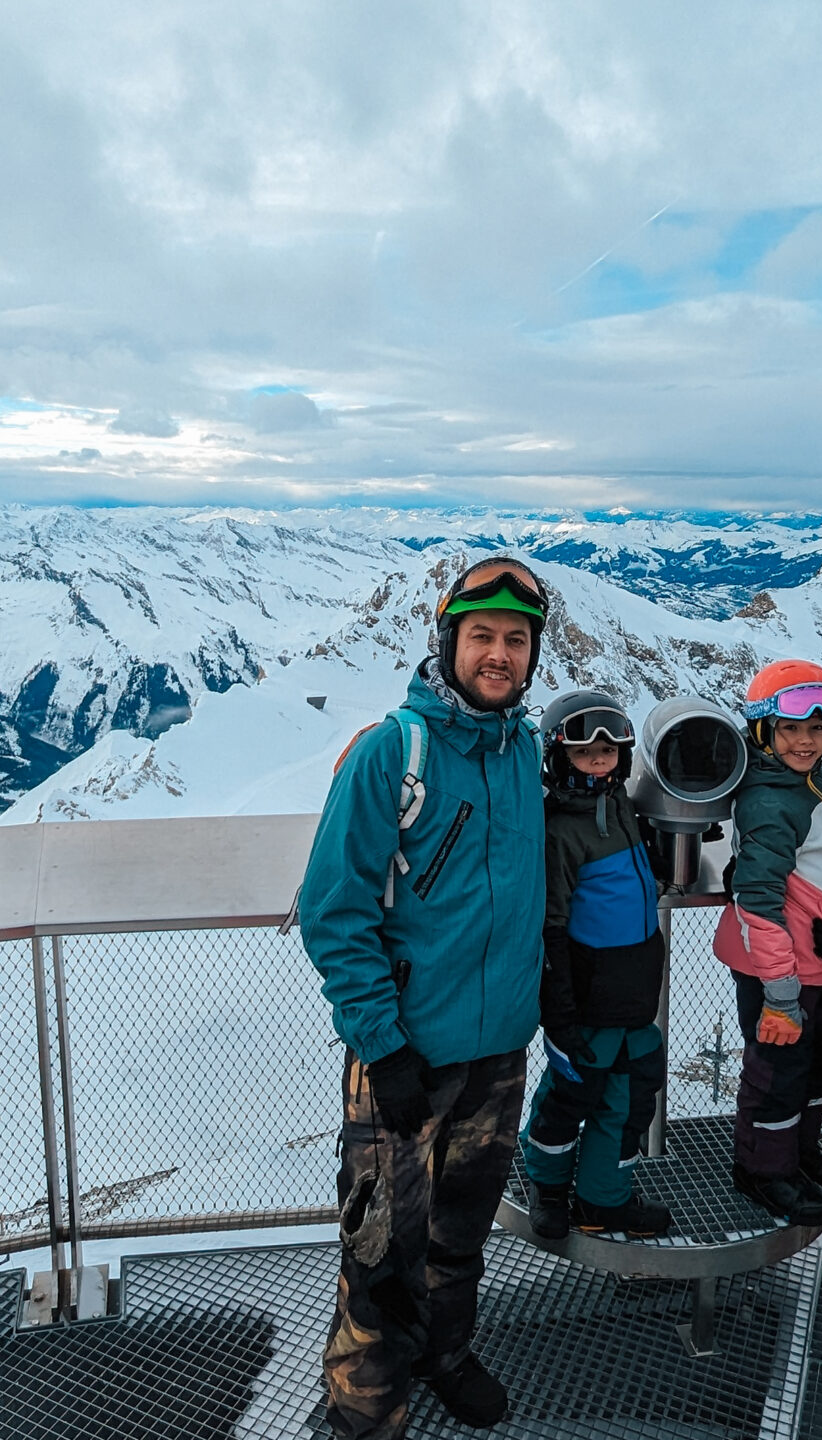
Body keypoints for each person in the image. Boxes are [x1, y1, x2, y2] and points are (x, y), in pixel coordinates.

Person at [299, 556, 550, 1437]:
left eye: (515, 641)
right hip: (402, 1057)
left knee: (459, 1236)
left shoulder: (524, 751)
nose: (498, 654)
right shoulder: (389, 754)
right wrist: (383, 1044)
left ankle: (443, 1354)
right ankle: (366, 1413)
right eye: (481, 636)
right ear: (449, 643)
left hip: (498, 1055)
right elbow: (333, 912)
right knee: (381, 1258)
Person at [716, 659, 822, 1227]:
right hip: (779, 973)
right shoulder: (771, 800)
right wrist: (779, 992)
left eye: (817, 729)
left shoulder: (806, 783)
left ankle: (798, 1154)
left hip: (812, 966)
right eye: (790, 729)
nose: (805, 740)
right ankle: (764, 1170)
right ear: (763, 732)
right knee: (776, 1074)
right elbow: (756, 900)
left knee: (806, 1067)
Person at [518, 688, 672, 1241]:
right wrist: (558, 1010)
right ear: (560, 757)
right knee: (570, 1095)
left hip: (634, 997)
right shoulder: (559, 829)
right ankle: (547, 1185)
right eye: (584, 752)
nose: (600, 759)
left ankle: (604, 1199)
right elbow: (551, 926)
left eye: (609, 750)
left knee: (631, 1101)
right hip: (587, 999)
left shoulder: (625, 809)